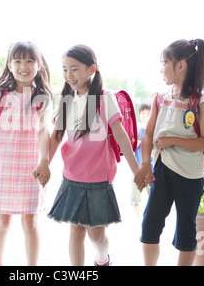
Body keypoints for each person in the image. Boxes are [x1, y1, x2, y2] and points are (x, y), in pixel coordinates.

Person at [45, 44, 139, 266]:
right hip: (72, 177)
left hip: (99, 179)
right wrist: (44, 164)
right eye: (65, 69)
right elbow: (56, 137)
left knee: (96, 235)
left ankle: (102, 258)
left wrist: (137, 169)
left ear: (91, 70)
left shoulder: (105, 98)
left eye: (74, 69)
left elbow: (121, 136)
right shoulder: (67, 99)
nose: (69, 75)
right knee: (75, 231)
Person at [134, 39, 204, 266]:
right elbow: (148, 135)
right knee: (149, 225)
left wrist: (172, 140)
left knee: (186, 232)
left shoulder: (201, 102)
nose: (161, 70)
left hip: (189, 175)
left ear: (181, 66)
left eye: (165, 63)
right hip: (162, 170)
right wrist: (146, 165)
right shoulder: (160, 99)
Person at [0, 42, 52, 266]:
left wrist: (44, 161)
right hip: (4, 169)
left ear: (39, 66)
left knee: (30, 224)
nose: (23, 66)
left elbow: (44, 129)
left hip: (32, 170)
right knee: (3, 223)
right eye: (17, 61)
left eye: (29, 60)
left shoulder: (43, 98)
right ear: (9, 65)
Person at [131, 99, 152, 220]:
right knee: (135, 198)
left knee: (152, 197)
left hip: (151, 169)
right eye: (143, 113)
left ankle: (148, 219)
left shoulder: (154, 131)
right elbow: (131, 148)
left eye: (148, 113)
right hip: (137, 169)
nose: (145, 116)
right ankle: (140, 220)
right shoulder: (137, 130)